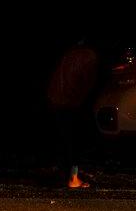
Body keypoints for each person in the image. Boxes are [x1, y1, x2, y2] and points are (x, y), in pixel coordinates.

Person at [47, 38, 100, 189]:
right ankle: (73, 178)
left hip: (56, 98)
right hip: (72, 101)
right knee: (75, 140)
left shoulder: (69, 54)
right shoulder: (89, 56)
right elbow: (87, 81)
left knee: (66, 138)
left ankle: (66, 172)